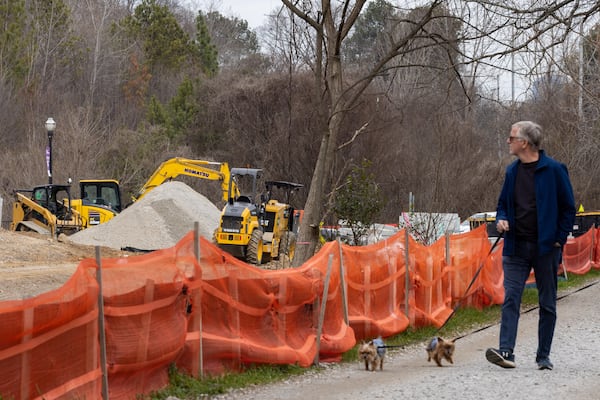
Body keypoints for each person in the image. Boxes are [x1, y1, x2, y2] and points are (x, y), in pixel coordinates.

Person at [486, 121, 576, 371]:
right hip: (516, 247)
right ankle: (506, 352)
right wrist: (501, 219)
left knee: (547, 303)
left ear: (524, 143)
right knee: (511, 298)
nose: (508, 141)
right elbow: (503, 203)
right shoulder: (512, 172)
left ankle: (543, 356)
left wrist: (558, 238)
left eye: (511, 137)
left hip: (546, 248)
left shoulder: (555, 170)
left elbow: (569, 208)